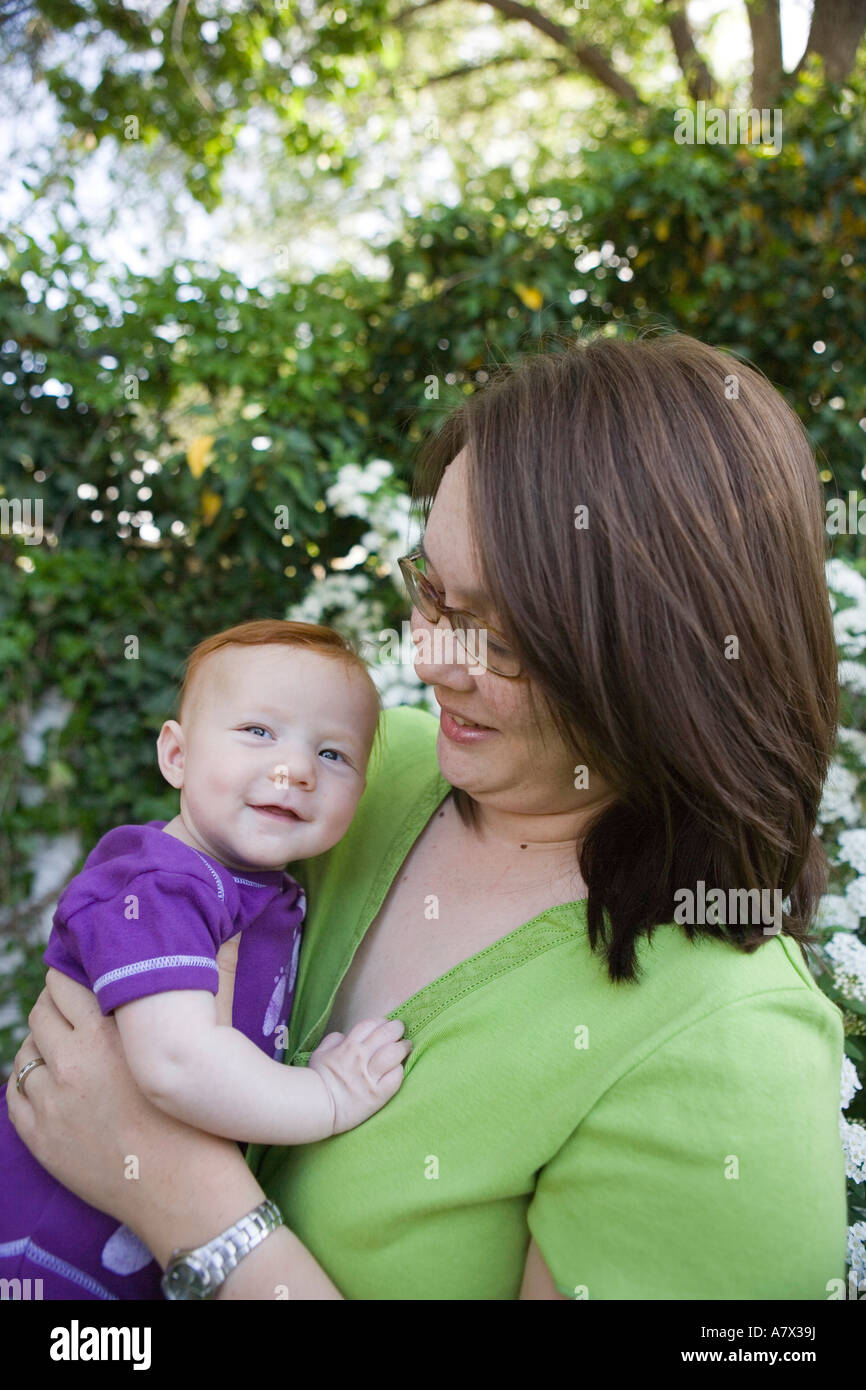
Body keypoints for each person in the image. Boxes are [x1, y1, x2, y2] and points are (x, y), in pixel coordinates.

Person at [7, 332, 848, 1300]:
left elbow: (128, 1124)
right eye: (432, 591)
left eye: (501, 635)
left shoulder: (728, 1051)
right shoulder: (364, 774)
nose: (430, 658)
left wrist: (188, 1207)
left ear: (664, 660)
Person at [0, 618, 410, 1299]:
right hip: (42, 1252)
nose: (296, 769)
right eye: (259, 731)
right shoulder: (160, 884)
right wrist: (329, 1098)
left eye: (333, 753)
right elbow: (177, 1063)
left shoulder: (262, 891)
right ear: (177, 755)